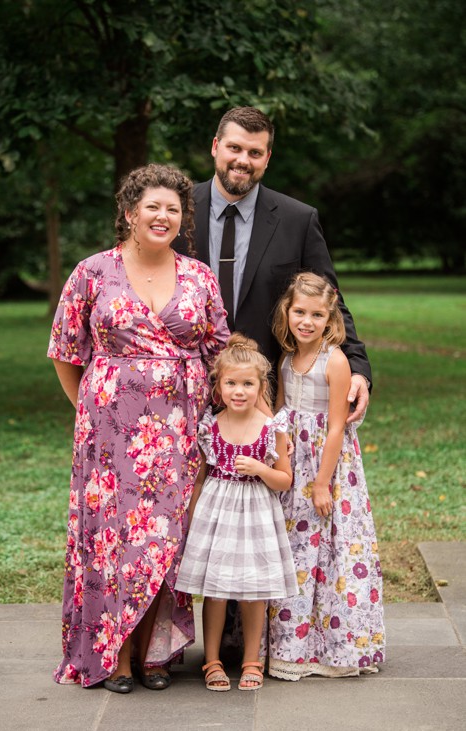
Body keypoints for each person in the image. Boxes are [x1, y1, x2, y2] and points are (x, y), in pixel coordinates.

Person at [49, 163, 229, 693]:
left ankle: (154, 655)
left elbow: (219, 349)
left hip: (180, 432)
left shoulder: (198, 275)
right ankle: (115, 655)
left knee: (166, 541)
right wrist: (89, 409)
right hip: (109, 433)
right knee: (115, 542)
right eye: (152, 206)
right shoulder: (92, 272)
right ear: (130, 213)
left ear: (181, 219)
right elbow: (64, 351)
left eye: (173, 209)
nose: (163, 215)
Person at [189, 106, 371, 424]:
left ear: (267, 158)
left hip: (267, 391)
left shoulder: (297, 220)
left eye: (255, 152)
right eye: (234, 148)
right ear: (215, 146)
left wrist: (358, 368)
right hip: (186, 386)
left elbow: (329, 299)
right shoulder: (177, 211)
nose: (243, 160)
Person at [266, 272, 385, 680]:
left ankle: (337, 646)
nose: (306, 321)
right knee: (296, 551)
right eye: (299, 311)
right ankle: (294, 645)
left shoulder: (334, 360)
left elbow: (336, 427)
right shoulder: (285, 358)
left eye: (317, 314)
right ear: (288, 311)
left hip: (326, 467)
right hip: (292, 463)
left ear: (329, 318)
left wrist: (320, 483)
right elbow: (281, 413)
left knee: (330, 548)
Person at [174, 334, 295, 692]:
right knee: (215, 590)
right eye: (231, 383)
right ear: (219, 385)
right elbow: (199, 480)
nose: (238, 391)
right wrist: (194, 518)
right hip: (217, 512)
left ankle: (251, 659)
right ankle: (211, 659)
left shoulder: (272, 429)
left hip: (256, 513)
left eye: (247, 383)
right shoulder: (210, 428)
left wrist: (260, 468)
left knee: (253, 589)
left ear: (261, 386)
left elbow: (285, 480)